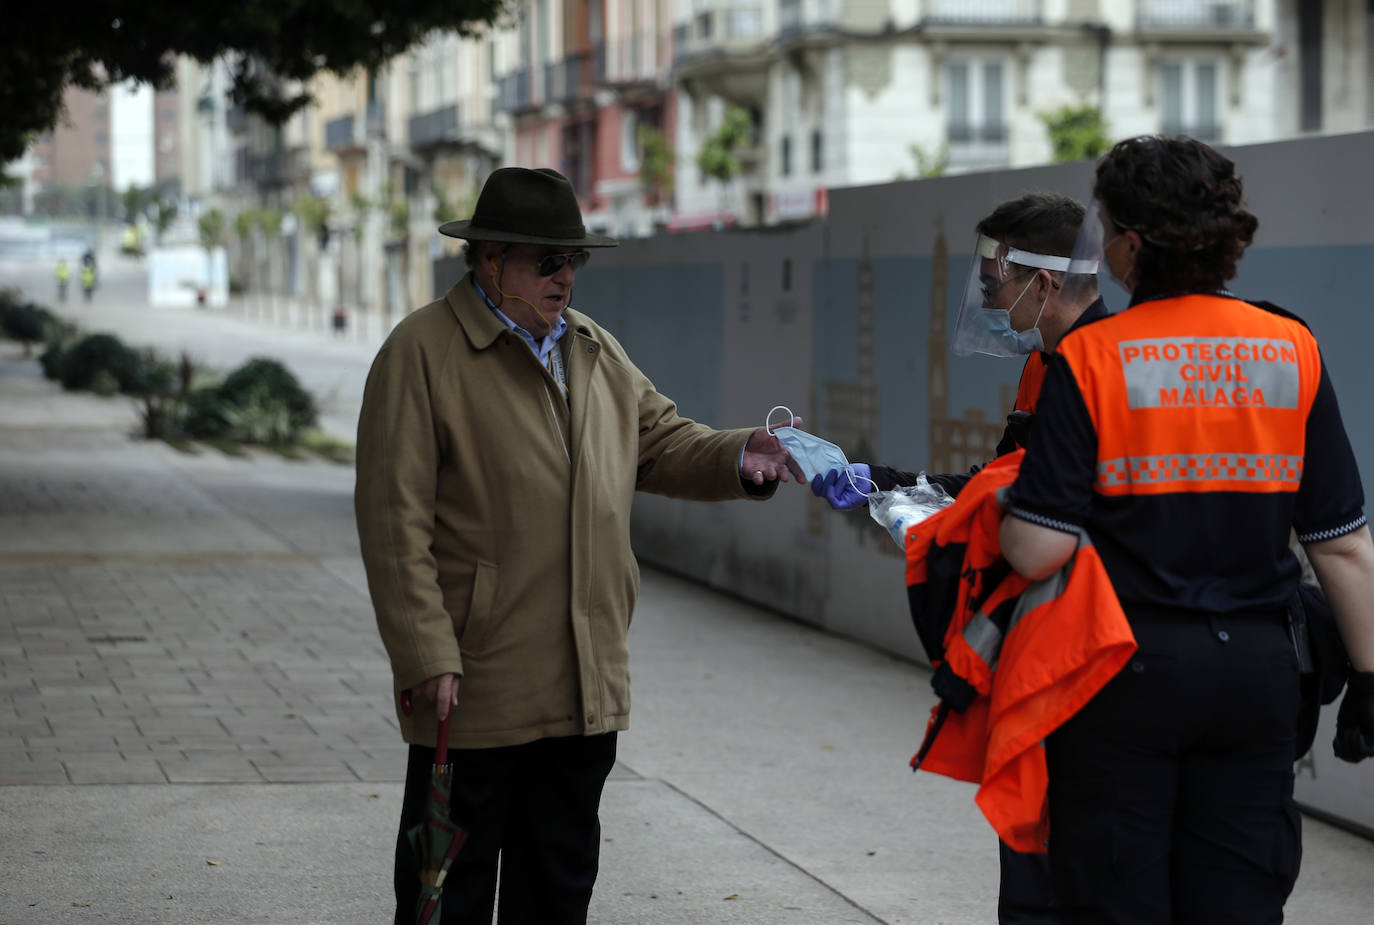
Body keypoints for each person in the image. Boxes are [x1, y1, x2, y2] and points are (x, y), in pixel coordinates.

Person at [354, 166, 799, 925]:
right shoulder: (421, 353)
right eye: (546, 260)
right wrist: (426, 650)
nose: (565, 276)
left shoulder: (592, 347)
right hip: (476, 682)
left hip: (583, 684)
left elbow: (658, 441)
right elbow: (394, 519)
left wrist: (738, 454)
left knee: (558, 890)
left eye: (574, 261)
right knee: (446, 894)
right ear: (490, 259)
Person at [999, 135, 1374, 924]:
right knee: (1237, 900)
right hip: (1260, 678)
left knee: (1115, 895)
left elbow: (1040, 548)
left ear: (1131, 245)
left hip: (1121, 675)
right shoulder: (1290, 346)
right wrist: (1371, 679)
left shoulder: (1091, 357)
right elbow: (1341, 542)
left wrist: (996, 509)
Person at [810, 192, 1106, 925]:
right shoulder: (1048, 365)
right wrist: (887, 482)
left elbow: (1037, 513)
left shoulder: (1096, 367)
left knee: (1068, 868)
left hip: (1082, 654)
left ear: (1042, 284)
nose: (986, 294)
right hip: (1042, 649)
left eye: (993, 281)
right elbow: (999, 480)